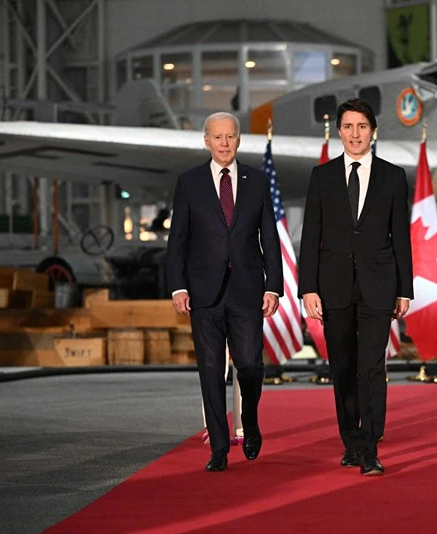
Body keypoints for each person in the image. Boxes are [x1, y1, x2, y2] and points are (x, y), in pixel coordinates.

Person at [298, 98, 413, 476]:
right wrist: (308, 288)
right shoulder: (323, 177)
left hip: (379, 287)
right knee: (343, 367)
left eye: (361, 126)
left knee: (371, 367)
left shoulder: (394, 177)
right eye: (347, 127)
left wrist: (404, 289)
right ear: (339, 132)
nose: (354, 134)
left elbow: (401, 239)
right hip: (333, 288)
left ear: (373, 131)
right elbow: (311, 235)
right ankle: (351, 441)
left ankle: (369, 446)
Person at [167, 111, 282, 472]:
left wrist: (273, 287)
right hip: (203, 293)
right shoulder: (189, 183)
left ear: (238, 140)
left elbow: (270, 238)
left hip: (248, 290)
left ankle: (250, 417)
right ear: (206, 141)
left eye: (230, 136)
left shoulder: (257, 181)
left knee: (250, 365)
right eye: (217, 137)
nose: (224, 143)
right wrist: (178, 286)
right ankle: (218, 448)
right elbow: (178, 242)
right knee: (211, 370)